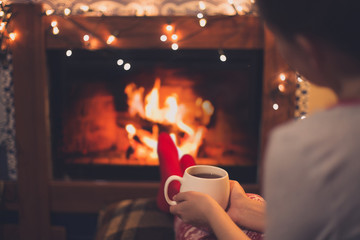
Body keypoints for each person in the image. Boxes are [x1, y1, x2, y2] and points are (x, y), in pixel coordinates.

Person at [167, 0, 360, 239]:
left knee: (190, 221)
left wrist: (210, 212)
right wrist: (245, 210)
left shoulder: (301, 145)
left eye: (278, 39)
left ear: (309, 50)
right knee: (250, 199)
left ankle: (174, 183)